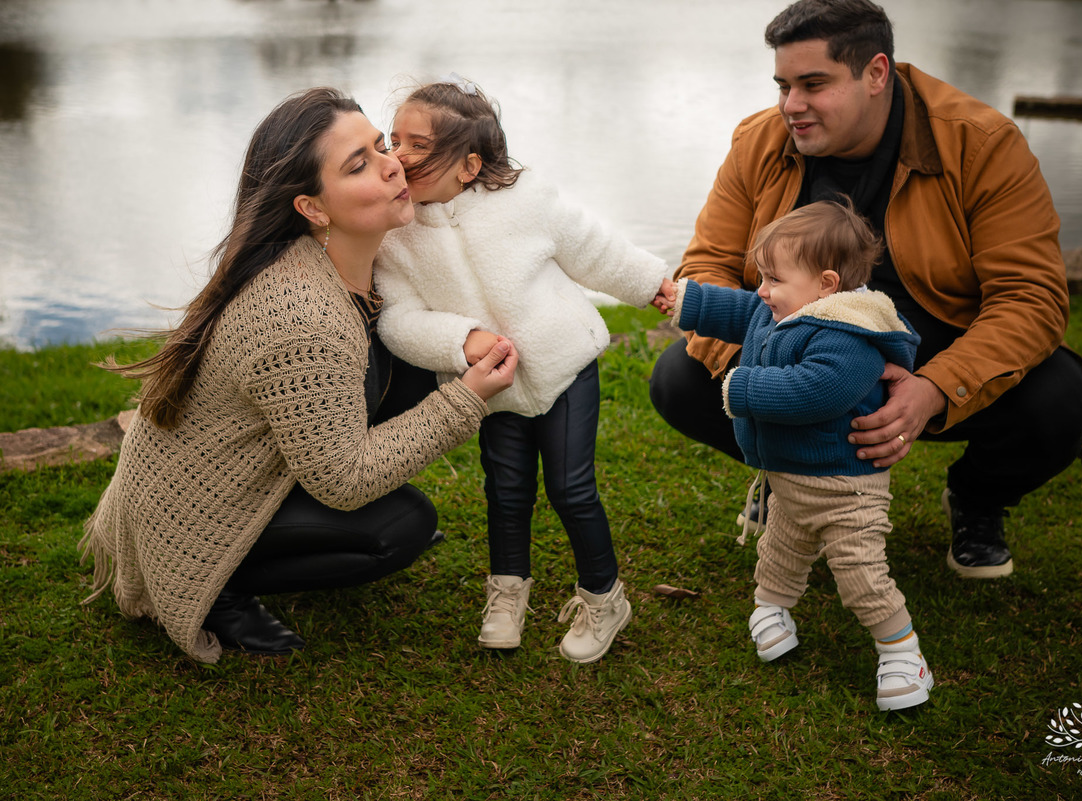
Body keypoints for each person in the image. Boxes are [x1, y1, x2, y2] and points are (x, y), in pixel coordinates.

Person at [649, 0, 1082, 579]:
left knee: (1058, 399)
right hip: (798, 348)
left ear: (876, 73)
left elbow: (1031, 298)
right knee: (679, 378)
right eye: (784, 85)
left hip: (930, 346)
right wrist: (769, 370)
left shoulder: (983, 144)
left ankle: (977, 499)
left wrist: (937, 388)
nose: (791, 106)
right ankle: (794, 481)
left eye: (814, 84)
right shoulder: (760, 140)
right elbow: (708, 264)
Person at [78, 87, 519, 664]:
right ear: (312, 208)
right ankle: (220, 593)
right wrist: (466, 399)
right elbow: (345, 479)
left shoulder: (349, 256)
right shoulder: (300, 316)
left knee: (413, 361)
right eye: (359, 164)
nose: (394, 165)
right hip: (190, 517)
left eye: (381, 145)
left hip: (257, 466)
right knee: (401, 526)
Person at [374, 75, 675, 664]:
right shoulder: (397, 236)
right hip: (493, 388)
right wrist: (461, 341)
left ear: (469, 165)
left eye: (416, 144)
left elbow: (591, 247)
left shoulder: (525, 200)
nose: (398, 156)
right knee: (506, 492)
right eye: (393, 140)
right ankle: (507, 594)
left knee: (570, 489)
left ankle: (603, 596)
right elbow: (398, 320)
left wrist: (649, 283)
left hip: (564, 368)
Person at [667, 200, 931, 711]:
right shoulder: (786, 309)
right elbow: (739, 310)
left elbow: (818, 391)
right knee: (780, 555)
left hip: (845, 488)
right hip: (789, 480)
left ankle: (902, 652)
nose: (762, 290)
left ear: (827, 283)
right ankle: (772, 608)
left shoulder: (851, 336)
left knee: (861, 576)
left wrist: (739, 386)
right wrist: (683, 300)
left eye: (773, 279)